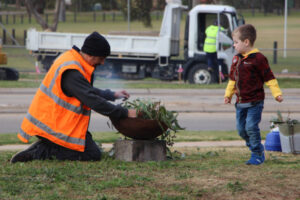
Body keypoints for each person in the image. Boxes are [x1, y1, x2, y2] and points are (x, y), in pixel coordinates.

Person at [11, 31, 137, 163]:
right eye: (101, 58)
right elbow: (92, 100)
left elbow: (84, 90)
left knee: (86, 146)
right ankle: (40, 151)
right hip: (52, 126)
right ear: (90, 54)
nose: (103, 62)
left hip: (60, 123)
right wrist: (125, 112)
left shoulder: (72, 60)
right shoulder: (72, 71)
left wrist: (111, 95)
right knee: (92, 154)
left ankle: (48, 145)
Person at [224, 24, 283, 165]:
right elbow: (233, 80)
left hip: (255, 103)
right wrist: (228, 95)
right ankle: (255, 149)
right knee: (241, 131)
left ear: (246, 42)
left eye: (236, 42)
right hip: (240, 103)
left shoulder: (259, 59)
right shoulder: (236, 59)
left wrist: (277, 94)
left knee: (251, 127)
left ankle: (257, 154)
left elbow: (269, 78)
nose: (234, 45)